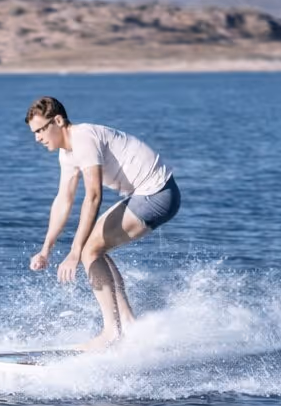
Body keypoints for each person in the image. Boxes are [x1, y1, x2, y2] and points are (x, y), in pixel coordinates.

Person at [25, 96, 182, 351]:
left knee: (89, 250)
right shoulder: (67, 155)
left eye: (41, 130)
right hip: (150, 194)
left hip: (158, 194)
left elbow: (93, 196)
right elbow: (63, 201)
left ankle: (112, 333)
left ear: (58, 121)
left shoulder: (83, 138)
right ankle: (129, 325)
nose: (37, 138)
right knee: (94, 247)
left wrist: (75, 253)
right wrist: (46, 249)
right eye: (33, 133)